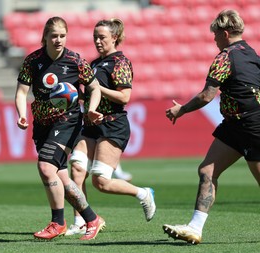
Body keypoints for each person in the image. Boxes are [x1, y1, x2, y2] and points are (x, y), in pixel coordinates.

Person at [163, 9, 260, 245]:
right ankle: (195, 228)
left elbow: (207, 96)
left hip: (251, 125)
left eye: (215, 34)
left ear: (225, 33)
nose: (214, 39)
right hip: (235, 125)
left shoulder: (225, 57)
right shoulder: (252, 53)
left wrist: (181, 110)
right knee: (207, 171)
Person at [15, 16, 106, 241]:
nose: (58, 40)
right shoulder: (32, 61)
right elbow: (21, 92)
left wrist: (91, 109)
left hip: (68, 122)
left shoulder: (75, 61)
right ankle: (92, 219)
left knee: (46, 167)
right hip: (42, 125)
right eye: (54, 35)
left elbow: (95, 88)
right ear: (45, 36)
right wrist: (22, 115)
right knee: (63, 180)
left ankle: (58, 223)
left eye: (62, 36)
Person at [66, 18, 156, 236]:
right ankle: (81, 220)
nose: (97, 41)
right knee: (77, 168)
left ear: (114, 38)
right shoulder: (94, 64)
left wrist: (97, 88)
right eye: (95, 37)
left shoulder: (120, 62)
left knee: (101, 182)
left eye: (102, 37)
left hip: (112, 125)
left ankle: (143, 193)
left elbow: (124, 96)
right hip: (90, 125)